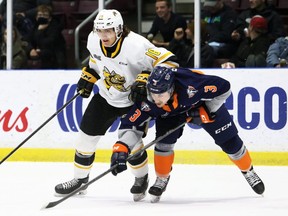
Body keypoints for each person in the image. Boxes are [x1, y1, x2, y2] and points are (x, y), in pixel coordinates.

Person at [54, 9, 179, 202]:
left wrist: (146, 78)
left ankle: (141, 178)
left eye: (108, 30)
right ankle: (80, 180)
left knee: (132, 146)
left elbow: (169, 61)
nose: (103, 35)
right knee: (85, 139)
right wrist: (89, 76)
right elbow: (96, 61)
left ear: (119, 29)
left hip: (133, 102)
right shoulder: (93, 39)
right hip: (105, 97)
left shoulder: (137, 45)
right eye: (99, 30)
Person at [109, 66, 265, 203]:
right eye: (153, 93)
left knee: (230, 142)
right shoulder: (147, 100)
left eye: (161, 94)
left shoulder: (192, 84)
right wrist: (121, 147)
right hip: (169, 115)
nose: (156, 99)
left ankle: (248, 171)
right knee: (163, 145)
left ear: (171, 89)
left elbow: (224, 87)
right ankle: (162, 178)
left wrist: (208, 109)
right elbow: (130, 125)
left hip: (200, 105)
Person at [22, 4, 66, 69]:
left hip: (53, 56)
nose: (42, 17)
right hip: (38, 53)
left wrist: (40, 31)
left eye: (45, 15)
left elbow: (49, 42)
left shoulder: (55, 27)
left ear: (50, 18)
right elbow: (27, 39)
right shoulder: (35, 26)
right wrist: (31, 49)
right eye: (40, 15)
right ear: (36, 17)